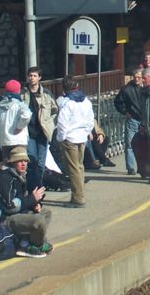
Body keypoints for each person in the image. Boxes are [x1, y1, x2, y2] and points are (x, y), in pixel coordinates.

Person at [0, 146, 52, 258]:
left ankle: (27, 242)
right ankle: (33, 246)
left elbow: (22, 199)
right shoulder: (4, 178)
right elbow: (10, 206)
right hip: (2, 219)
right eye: (20, 161)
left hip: (14, 214)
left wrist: (35, 205)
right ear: (12, 162)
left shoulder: (18, 175)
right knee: (38, 220)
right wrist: (32, 199)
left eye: (25, 161)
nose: (24, 164)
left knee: (46, 213)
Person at [56, 76, 95, 207]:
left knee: (73, 169)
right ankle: (77, 195)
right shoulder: (86, 101)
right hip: (81, 137)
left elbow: (62, 124)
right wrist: (86, 132)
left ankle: (79, 198)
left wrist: (61, 138)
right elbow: (90, 120)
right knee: (79, 167)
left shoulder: (66, 103)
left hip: (70, 138)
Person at [21, 67, 58, 192]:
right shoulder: (23, 94)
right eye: (30, 75)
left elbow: (55, 111)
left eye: (34, 76)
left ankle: (39, 185)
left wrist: (51, 124)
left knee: (41, 162)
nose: (32, 78)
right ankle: (32, 187)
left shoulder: (46, 94)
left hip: (43, 132)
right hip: (29, 132)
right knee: (33, 160)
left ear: (39, 78)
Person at [114, 69, 144, 176]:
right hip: (132, 119)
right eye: (135, 77)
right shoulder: (126, 89)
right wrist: (125, 111)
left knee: (145, 144)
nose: (137, 79)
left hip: (145, 119)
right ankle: (130, 167)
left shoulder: (146, 88)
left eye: (139, 77)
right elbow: (118, 102)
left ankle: (144, 167)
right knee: (130, 144)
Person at [0, 79, 33, 163]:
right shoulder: (19, 104)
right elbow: (27, 115)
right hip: (18, 141)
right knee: (19, 168)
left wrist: (0, 141)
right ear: (18, 91)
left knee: (7, 167)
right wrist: (19, 127)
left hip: (4, 141)